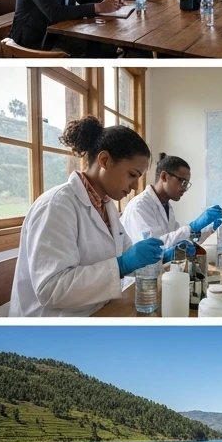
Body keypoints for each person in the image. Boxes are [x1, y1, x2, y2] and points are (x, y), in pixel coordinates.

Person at [9, 117, 165, 317]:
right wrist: (121, 265)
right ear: (104, 161)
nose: (135, 186)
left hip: (96, 311)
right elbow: (51, 288)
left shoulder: (105, 204)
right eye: (132, 175)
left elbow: (127, 251)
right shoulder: (56, 206)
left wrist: (157, 257)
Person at [120, 153, 222, 254]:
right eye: (182, 181)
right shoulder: (140, 206)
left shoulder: (166, 206)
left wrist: (211, 227)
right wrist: (193, 226)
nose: (185, 188)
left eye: (187, 183)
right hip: (140, 274)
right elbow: (155, 245)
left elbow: (177, 237)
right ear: (164, 177)